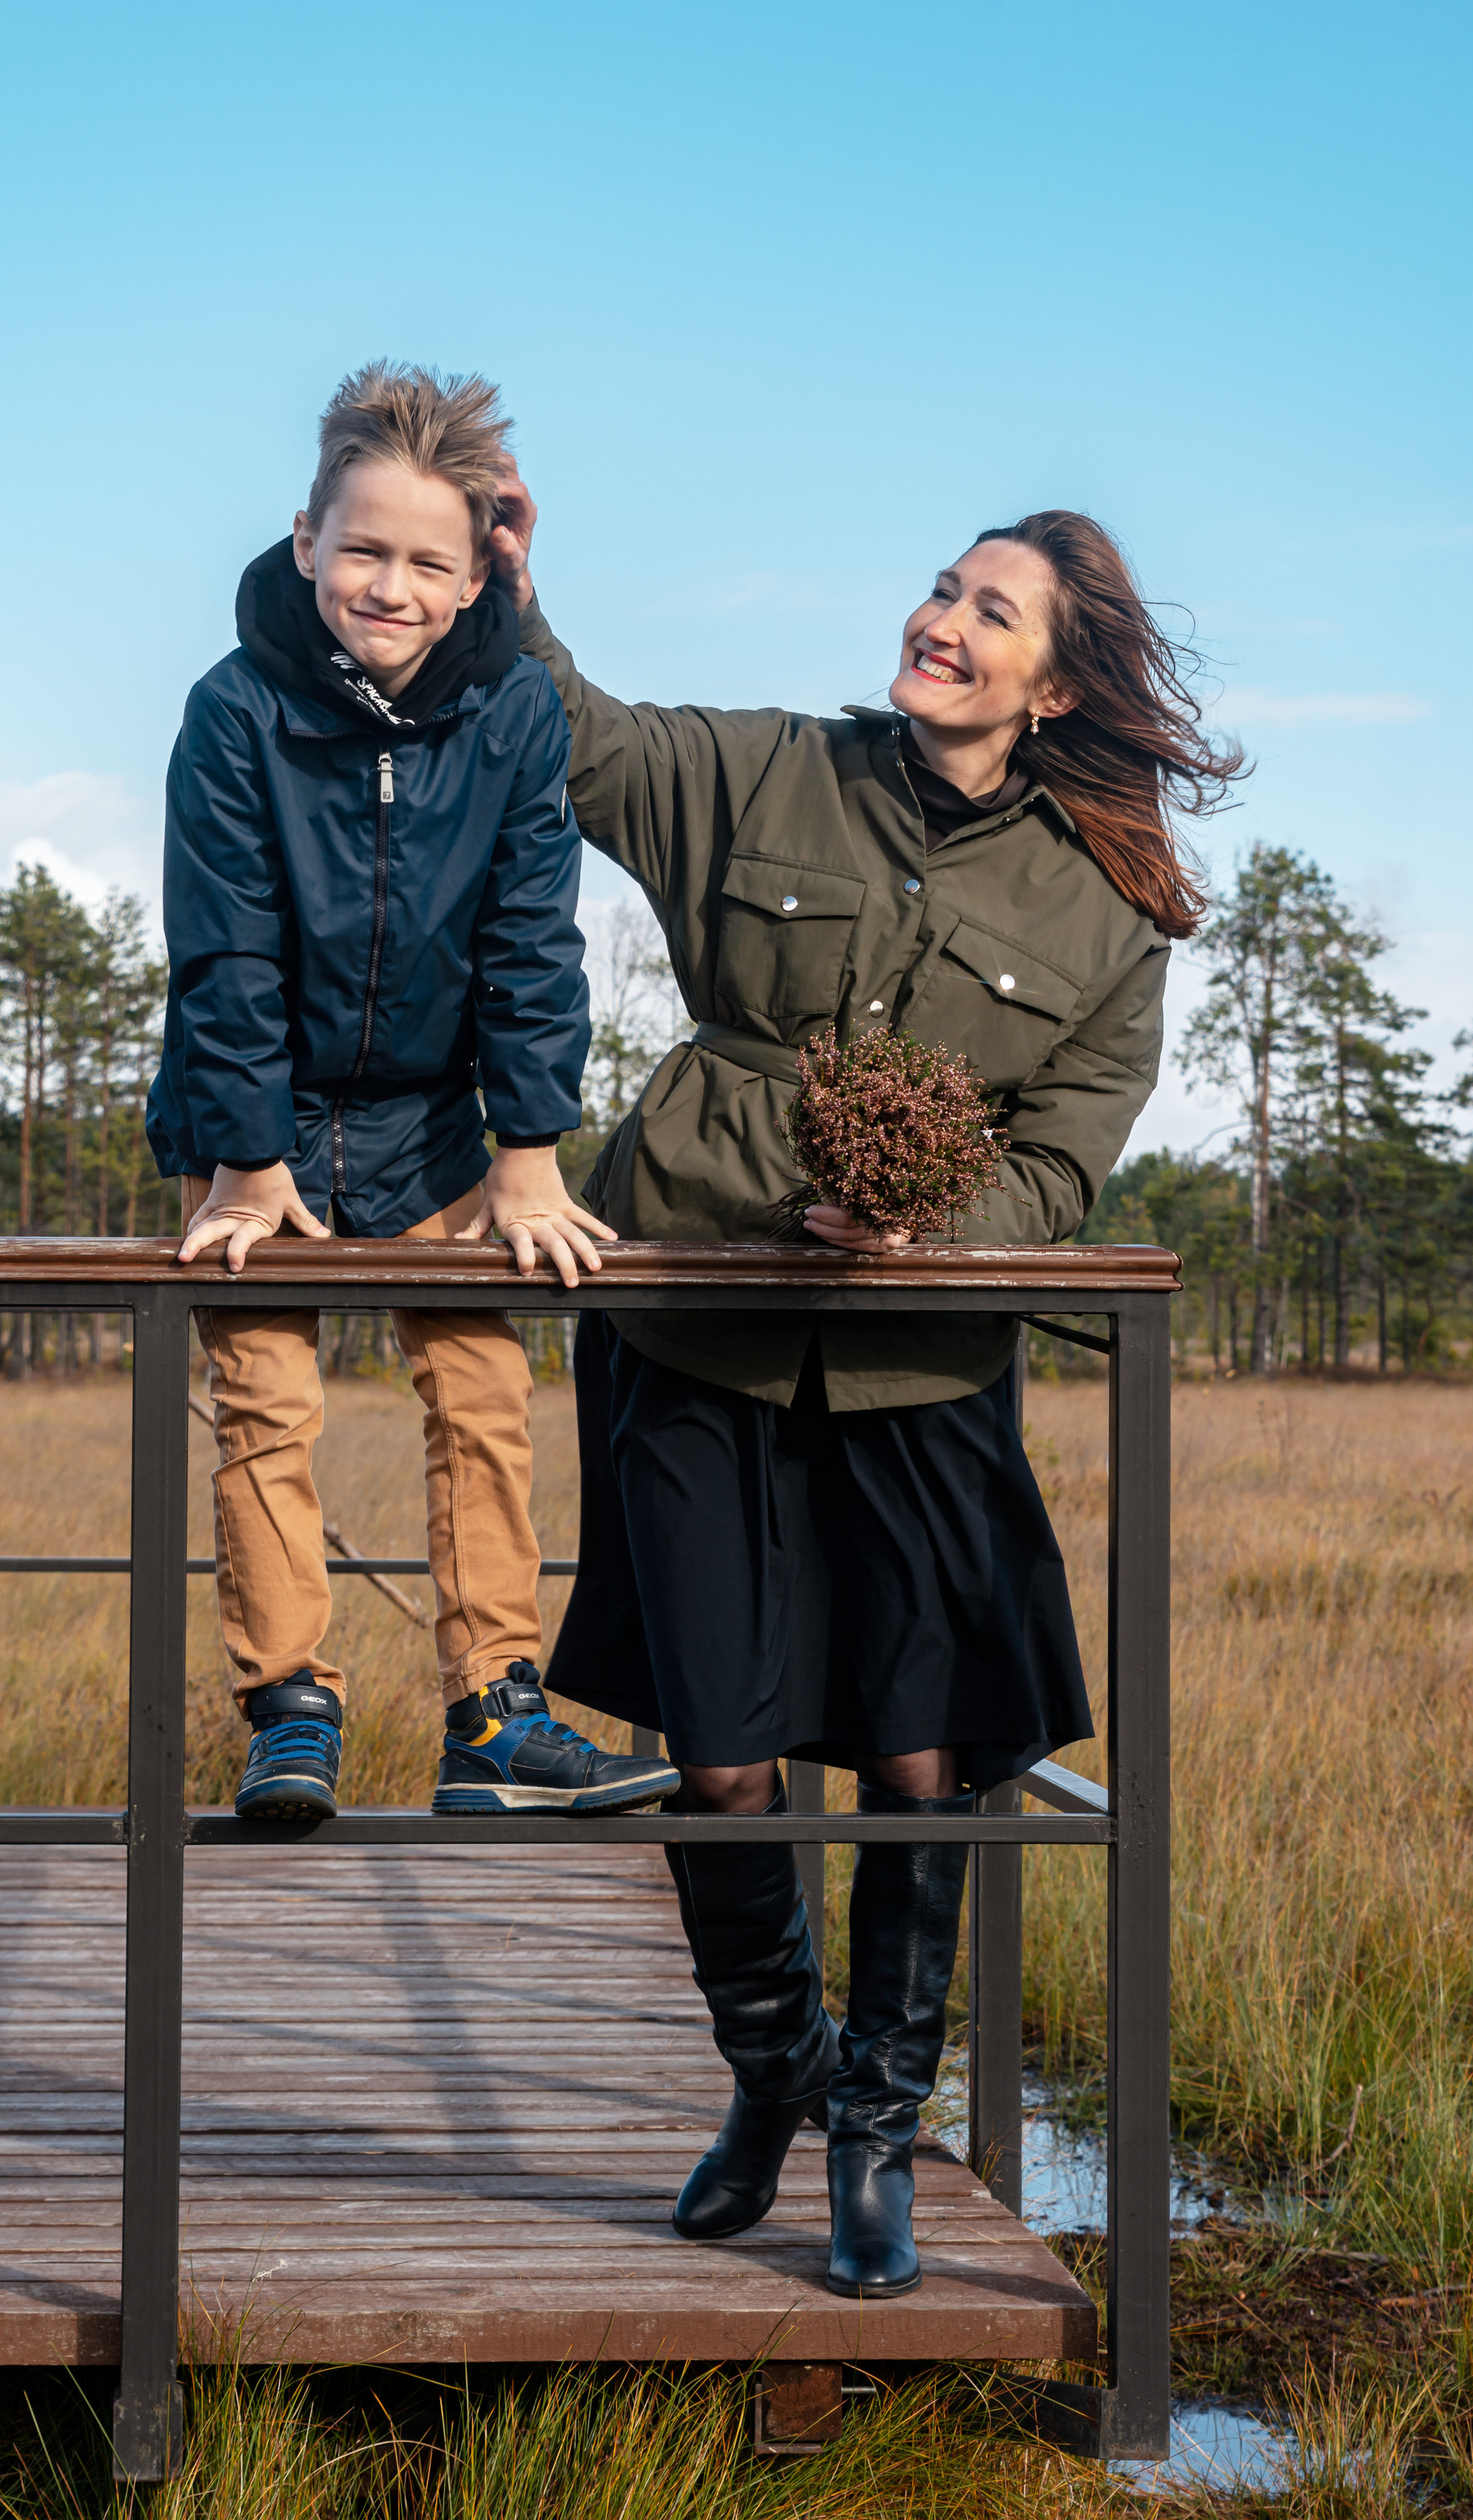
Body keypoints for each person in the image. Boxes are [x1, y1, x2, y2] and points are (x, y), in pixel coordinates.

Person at [486, 475, 1240, 2294]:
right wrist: (513, 585)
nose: (944, 622)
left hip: (921, 1371)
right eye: (939, 591)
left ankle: (881, 2133)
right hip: (692, 1336)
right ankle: (773, 2082)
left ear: (1054, 687)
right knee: (725, 1760)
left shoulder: (1110, 914)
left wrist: (925, 1223)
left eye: (991, 612)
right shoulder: (766, 771)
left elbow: (1060, 1172)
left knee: (921, 1758)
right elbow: (579, 745)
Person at [146, 363, 680, 1824]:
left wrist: (527, 1157)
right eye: (363, 548)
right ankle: (288, 1709)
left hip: (447, 1122)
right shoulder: (234, 707)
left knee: (482, 1389)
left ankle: (493, 1716)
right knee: (262, 1398)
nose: (389, 584)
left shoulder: (512, 712)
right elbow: (226, 942)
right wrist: (248, 1162)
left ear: (474, 575)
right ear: (306, 537)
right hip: (254, 1114)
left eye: (426, 562)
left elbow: (529, 939)